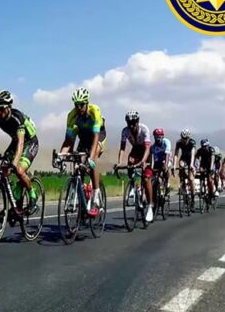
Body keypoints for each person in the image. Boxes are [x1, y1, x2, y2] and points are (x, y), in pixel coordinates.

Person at [0, 90, 39, 211]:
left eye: (1, 109)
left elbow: (21, 143)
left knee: (19, 170)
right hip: (15, 141)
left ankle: (33, 195)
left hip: (29, 142)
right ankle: (14, 200)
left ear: (8, 107)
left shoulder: (17, 118)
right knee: (4, 169)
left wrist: (15, 162)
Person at [58, 87, 107, 216]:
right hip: (84, 137)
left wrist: (91, 157)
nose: (79, 107)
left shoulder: (94, 111)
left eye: (81, 104)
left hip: (98, 136)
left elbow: (96, 137)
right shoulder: (71, 115)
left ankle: (96, 196)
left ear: (87, 103)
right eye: (76, 105)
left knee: (91, 161)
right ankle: (82, 198)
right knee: (79, 166)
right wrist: (60, 156)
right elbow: (68, 141)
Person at [115, 111, 154, 222]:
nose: (131, 126)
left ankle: (150, 206)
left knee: (146, 178)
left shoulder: (144, 129)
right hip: (135, 150)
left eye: (133, 123)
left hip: (146, 151)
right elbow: (122, 148)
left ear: (137, 122)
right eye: (129, 123)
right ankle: (133, 185)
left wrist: (143, 161)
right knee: (130, 163)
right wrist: (119, 162)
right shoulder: (125, 131)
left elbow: (147, 148)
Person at [173, 129, 196, 197]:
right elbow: (176, 154)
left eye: (185, 138)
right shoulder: (179, 142)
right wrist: (174, 165)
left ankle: (192, 196)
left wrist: (191, 164)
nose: (184, 140)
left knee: (191, 178)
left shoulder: (192, 142)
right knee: (181, 164)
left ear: (188, 137)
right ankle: (182, 182)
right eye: (182, 138)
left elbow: (193, 153)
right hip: (183, 158)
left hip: (191, 159)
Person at [151, 128, 172, 193]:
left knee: (165, 165)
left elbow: (167, 154)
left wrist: (165, 165)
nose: (158, 139)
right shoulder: (153, 147)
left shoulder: (166, 142)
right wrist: (151, 168)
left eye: (159, 137)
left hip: (167, 158)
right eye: (156, 137)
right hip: (158, 160)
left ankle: (167, 183)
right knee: (155, 174)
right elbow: (152, 159)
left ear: (162, 136)